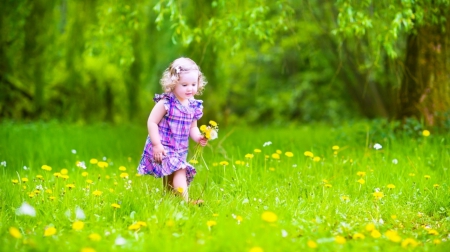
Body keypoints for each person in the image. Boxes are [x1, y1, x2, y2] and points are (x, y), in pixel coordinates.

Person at [137, 57, 208, 203]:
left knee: (171, 174)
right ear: (173, 83)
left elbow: (192, 127)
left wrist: (199, 137)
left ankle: (169, 200)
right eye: (184, 85)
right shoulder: (166, 102)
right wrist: (157, 144)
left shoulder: (193, 105)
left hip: (180, 148)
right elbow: (152, 122)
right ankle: (187, 202)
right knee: (180, 169)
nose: (190, 88)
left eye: (193, 84)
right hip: (163, 145)